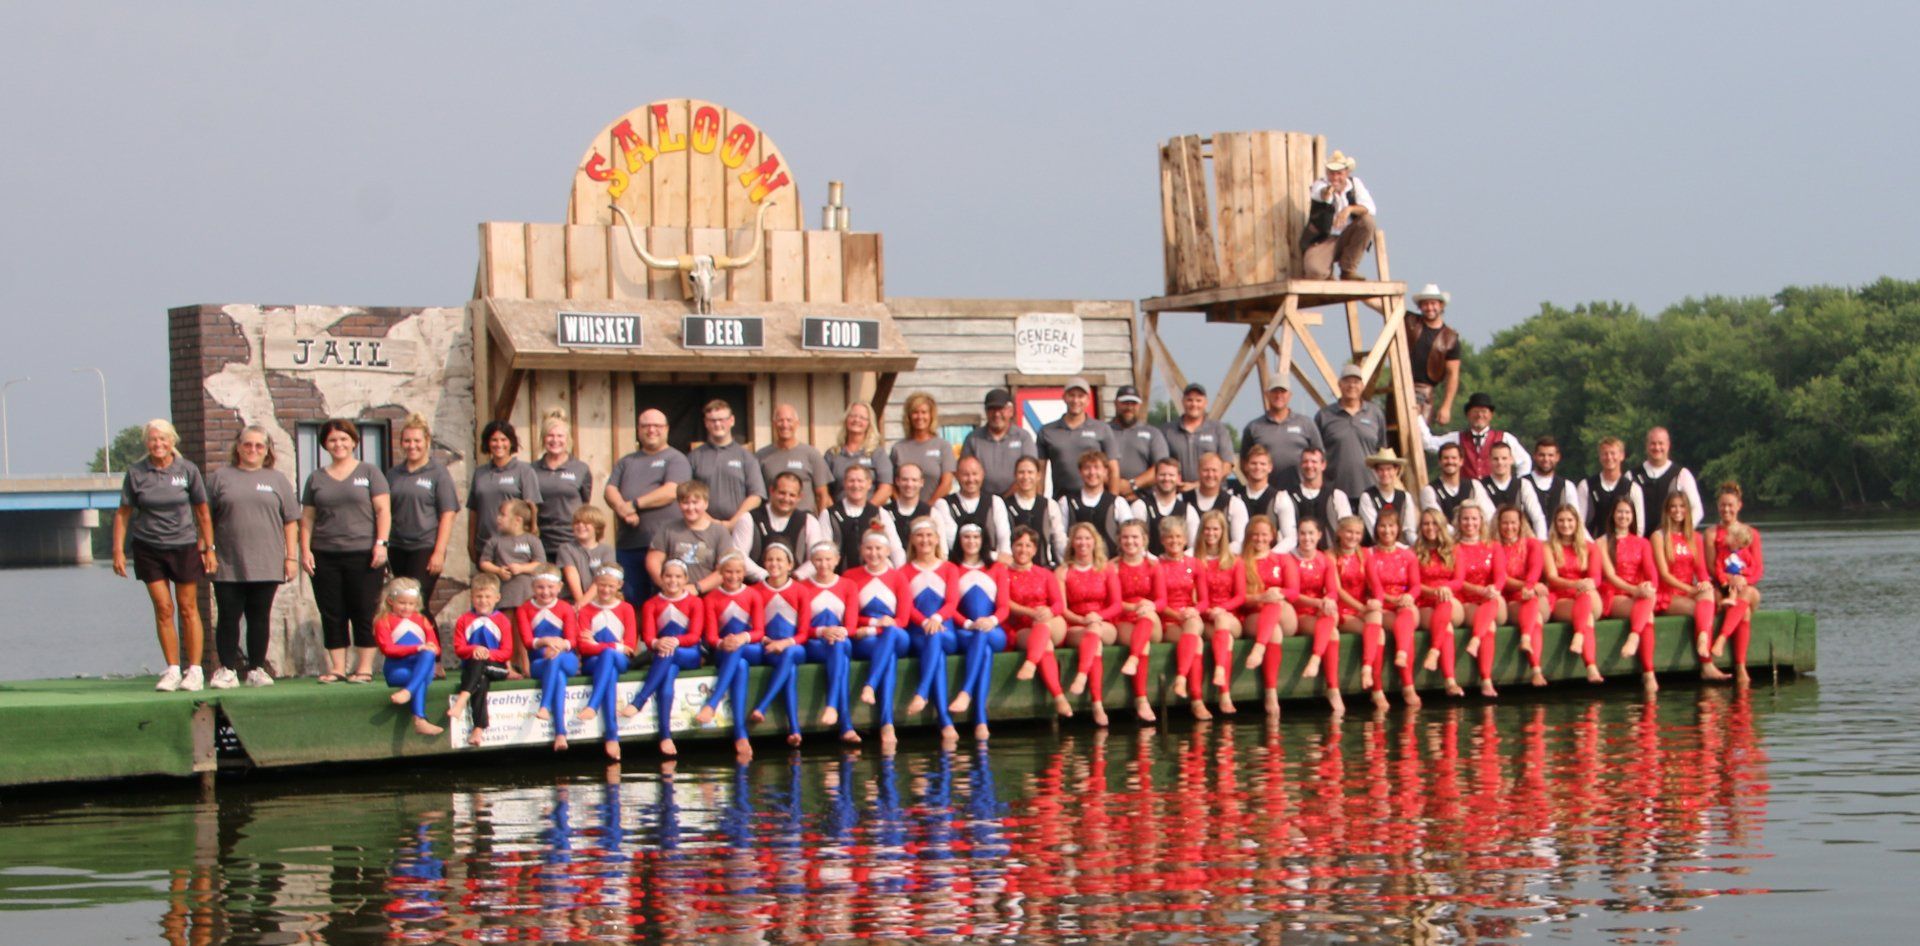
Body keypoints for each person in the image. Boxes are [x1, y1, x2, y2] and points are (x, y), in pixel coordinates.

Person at [114, 418, 215, 692]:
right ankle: (172, 668)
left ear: (172, 442)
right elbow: (123, 515)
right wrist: (118, 552)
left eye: (163, 439)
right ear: (147, 443)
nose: (158, 444)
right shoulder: (136, 472)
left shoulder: (187, 470)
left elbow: (203, 512)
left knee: (187, 607)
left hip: (184, 545)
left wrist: (209, 548)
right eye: (153, 440)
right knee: (163, 608)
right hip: (148, 546)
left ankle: (194, 670)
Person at [205, 424, 298, 688]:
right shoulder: (220, 478)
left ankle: (256, 668)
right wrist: (208, 550)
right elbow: (205, 518)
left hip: (267, 561)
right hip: (228, 561)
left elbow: (291, 521)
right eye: (248, 444)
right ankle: (227, 669)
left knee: (259, 616)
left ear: (267, 450)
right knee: (228, 616)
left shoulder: (277, 480)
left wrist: (291, 558)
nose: (253, 450)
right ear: (238, 446)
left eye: (259, 445)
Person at [300, 418, 391, 685]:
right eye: (332, 440)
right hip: (325, 553)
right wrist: (305, 550)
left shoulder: (370, 473)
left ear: (353, 441)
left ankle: (363, 668)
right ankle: (338, 667)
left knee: (363, 610)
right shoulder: (316, 478)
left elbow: (383, 510)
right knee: (332, 612)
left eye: (343, 439)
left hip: (364, 553)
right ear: (325, 445)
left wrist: (381, 544)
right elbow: (307, 519)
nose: (338, 444)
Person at [606, 408, 691, 604]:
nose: (651, 430)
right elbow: (609, 490)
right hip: (630, 543)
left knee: (664, 600)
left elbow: (671, 491)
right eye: (646, 426)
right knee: (631, 599)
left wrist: (634, 505)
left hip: (665, 546)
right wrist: (621, 508)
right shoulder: (626, 461)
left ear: (667, 429)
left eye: (657, 426)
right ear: (638, 429)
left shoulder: (676, 458)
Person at [626, 559, 706, 757]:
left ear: (685, 579)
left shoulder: (695, 602)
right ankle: (665, 735)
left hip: (688, 653)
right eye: (668, 576)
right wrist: (655, 643)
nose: (673, 580)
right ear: (661, 578)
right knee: (667, 677)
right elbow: (649, 636)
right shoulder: (652, 604)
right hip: (664, 654)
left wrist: (672, 642)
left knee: (669, 652)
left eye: (678, 576)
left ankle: (640, 699)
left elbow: (694, 636)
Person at [385, 414, 457, 620]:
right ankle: (409, 650)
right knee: (401, 606)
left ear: (427, 441)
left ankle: (432, 652)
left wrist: (439, 552)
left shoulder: (438, 473)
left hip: (424, 548)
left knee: (416, 603)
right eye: (407, 440)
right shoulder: (393, 474)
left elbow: (448, 514)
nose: (412, 445)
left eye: (417, 440)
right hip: (397, 548)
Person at [1649, 492, 1726, 683]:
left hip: (1689, 590)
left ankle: (1702, 638)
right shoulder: (1658, 537)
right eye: (1673, 507)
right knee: (1699, 610)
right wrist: (1692, 590)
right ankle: (1706, 663)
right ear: (1667, 511)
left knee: (1707, 594)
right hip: (1667, 593)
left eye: (1682, 507)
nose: (1678, 511)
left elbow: (1700, 571)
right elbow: (1664, 574)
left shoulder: (1695, 537)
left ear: (1687, 511)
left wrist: (1704, 584)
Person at [696, 553, 765, 761]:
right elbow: (710, 637)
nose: (733, 576)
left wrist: (742, 638)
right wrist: (722, 643)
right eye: (728, 572)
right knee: (740, 665)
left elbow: (759, 631)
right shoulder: (711, 598)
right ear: (720, 573)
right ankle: (740, 734)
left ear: (744, 573)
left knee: (739, 653)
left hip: (749, 646)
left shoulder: (753, 595)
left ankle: (713, 703)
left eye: (737, 572)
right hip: (724, 650)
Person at [848, 531, 913, 750]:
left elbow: (903, 619)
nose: (873, 553)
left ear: (887, 551)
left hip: (896, 635)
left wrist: (887, 624)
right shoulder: (851, 576)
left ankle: (870, 685)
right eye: (869, 548)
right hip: (869, 638)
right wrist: (875, 623)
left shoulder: (898, 576)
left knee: (893, 633)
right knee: (889, 657)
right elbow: (851, 617)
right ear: (861, 551)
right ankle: (887, 724)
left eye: (878, 549)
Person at [900, 519, 964, 742]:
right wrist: (925, 622)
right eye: (920, 536)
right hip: (919, 634)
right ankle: (945, 721)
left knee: (936, 638)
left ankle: (923, 692)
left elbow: (952, 601)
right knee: (935, 650)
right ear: (912, 540)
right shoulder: (904, 572)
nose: (925, 540)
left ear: (937, 539)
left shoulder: (949, 568)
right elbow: (906, 607)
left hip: (946, 631)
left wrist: (936, 618)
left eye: (929, 535)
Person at [948, 524, 1011, 740]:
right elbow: (951, 607)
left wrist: (991, 620)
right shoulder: (952, 569)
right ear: (960, 540)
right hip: (966, 631)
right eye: (966, 537)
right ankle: (980, 719)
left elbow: (1004, 606)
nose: (971, 541)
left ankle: (966, 692)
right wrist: (967, 623)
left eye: (976, 537)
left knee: (983, 638)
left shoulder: (997, 568)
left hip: (993, 631)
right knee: (983, 651)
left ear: (983, 540)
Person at [1003, 526, 1073, 718]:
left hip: (1050, 622)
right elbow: (1005, 602)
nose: (1023, 550)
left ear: (1034, 549)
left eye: (1028, 545)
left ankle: (1031, 663)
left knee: (1043, 625)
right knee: (1045, 645)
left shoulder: (1045, 574)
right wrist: (1030, 612)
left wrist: (1048, 611)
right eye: (1018, 545)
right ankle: (1059, 697)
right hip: (1023, 626)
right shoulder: (1004, 574)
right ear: (1012, 547)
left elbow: (1059, 603)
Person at [746, 542, 812, 746]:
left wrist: (784, 643)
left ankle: (763, 706)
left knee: (790, 654)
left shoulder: (801, 591)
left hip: (794, 646)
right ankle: (794, 730)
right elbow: (755, 626)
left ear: (790, 565)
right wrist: (768, 641)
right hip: (768, 646)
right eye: (770, 559)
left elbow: (804, 632)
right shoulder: (755, 591)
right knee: (789, 670)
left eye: (779, 560)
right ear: (764, 563)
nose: (774, 564)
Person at [576, 562, 641, 760]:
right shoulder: (586, 610)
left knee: (609, 657)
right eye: (602, 585)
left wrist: (600, 645)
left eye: (610, 586)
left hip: (621, 660)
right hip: (593, 663)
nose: (605, 589)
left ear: (619, 586)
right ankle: (612, 736)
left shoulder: (626, 609)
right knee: (609, 667)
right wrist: (615, 646)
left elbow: (629, 646)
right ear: (596, 584)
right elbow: (583, 647)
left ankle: (593, 706)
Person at [1281, 516, 1345, 716]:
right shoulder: (1289, 559)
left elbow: (1333, 590)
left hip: (1321, 612)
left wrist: (1328, 600)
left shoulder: (1325, 560)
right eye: (1302, 533)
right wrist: (1319, 603)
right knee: (1331, 630)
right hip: (1300, 612)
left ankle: (1330, 683)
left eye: (1311, 533)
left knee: (1332, 626)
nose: (1306, 538)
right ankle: (1329, 683)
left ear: (1319, 535)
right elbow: (1292, 594)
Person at [1057, 521, 1119, 727]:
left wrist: (1097, 616)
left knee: (1095, 631)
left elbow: (1117, 604)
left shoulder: (1107, 569)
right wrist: (1082, 619)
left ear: (1095, 542)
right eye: (1078, 538)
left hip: (1104, 623)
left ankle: (1082, 675)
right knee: (1095, 645)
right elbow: (1062, 608)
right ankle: (1097, 704)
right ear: (1072, 543)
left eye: (1087, 538)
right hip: (1077, 624)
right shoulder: (1063, 571)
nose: (1083, 543)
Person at [798, 541, 861, 741]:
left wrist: (837, 632)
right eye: (818, 560)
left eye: (827, 559)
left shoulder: (848, 585)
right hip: (816, 643)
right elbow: (802, 628)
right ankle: (846, 726)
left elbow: (852, 625)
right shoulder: (803, 587)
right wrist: (823, 631)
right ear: (811, 561)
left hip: (841, 640)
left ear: (836, 560)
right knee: (840, 660)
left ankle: (832, 706)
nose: (823, 564)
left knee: (840, 646)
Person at [1596, 496, 1660, 693]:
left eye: (1627, 512)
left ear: (1633, 516)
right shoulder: (1602, 542)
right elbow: (1609, 575)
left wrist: (1648, 588)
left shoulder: (1642, 543)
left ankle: (1636, 643)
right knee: (1647, 613)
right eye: (1620, 512)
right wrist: (1635, 590)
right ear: (1613, 515)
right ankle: (1648, 673)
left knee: (1648, 607)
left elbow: (1652, 574)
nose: (1623, 516)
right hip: (1614, 594)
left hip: (1639, 594)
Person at [516, 568, 579, 752]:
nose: (545, 592)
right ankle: (560, 733)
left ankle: (545, 706)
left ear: (559, 587)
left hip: (567, 658)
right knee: (557, 675)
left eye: (550, 587)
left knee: (557, 659)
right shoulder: (524, 609)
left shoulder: (565, 608)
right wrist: (544, 642)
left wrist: (559, 645)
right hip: (539, 663)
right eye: (540, 587)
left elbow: (572, 640)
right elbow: (528, 641)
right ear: (533, 587)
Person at [1330, 516, 1390, 712]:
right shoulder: (1331, 556)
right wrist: (1362, 607)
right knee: (1378, 632)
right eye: (1349, 532)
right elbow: (1337, 590)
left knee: (1376, 617)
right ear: (1339, 532)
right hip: (1342, 609)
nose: (1353, 537)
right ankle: (1377, 689)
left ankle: (1367, 669)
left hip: (1361, 607)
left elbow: (1377, 585)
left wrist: (1376, 602)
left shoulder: (1364, 554)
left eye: (1357, 533)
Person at [1706, 482, 1763, 686]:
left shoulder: (1751, 534)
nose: (1726, 509)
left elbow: (1757, 568)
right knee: (1744, 611)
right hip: (1722, 588)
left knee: (1747, 593)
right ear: (1717, 507)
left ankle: (1721, 639)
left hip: (1744, 587)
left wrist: (1743, 579)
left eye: (1730, 505)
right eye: (1722, 505)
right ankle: (1740, 667)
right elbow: (1712, 567)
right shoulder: (1712, 534)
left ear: (1739, 505)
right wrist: (1728, 580)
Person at [1365, 509, 1422, 709]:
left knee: (1406, 615)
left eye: (1391, 526)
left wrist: (1408, 597)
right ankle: (1378, 688)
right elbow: (1375, 587)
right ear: (1376, 528)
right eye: (1382, 526)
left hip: (1403, 604)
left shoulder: (1407, 555)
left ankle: (1407, 682)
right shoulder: (1370, 554)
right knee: (1391, 626)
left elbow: (1416, 585)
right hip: (1382, 604)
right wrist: (1394, 599)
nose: (1387, 530)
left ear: (1398, 529)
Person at [1543, 505, 1605, 684]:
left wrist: (1584, 585)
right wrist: (1575, 584)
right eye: (1561, 520)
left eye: (1570, 520)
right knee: (1587, 618)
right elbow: (1552, 577)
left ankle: (1579, 636)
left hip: (1586, 595)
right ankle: (1591, 667)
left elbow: (1596, 578)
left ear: (1577, 523)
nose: (1565, 524)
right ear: (1555, 523)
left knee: (1586, 595)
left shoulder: (1590, 548)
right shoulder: (1548, 547)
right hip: (1561, 596)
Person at [373, 577, 443, 737]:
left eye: (411, 604)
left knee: (428, 653)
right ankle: (420, 719)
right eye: (402, 603)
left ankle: (409, 694)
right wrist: (416, 648)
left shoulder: (422, 620)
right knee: (422, 677)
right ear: (391, 601)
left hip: (422, 668)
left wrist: (428, 648)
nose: (407, 608)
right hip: (397, 670)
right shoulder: (383, 621)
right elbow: (388, 649)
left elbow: (435, 648)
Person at [1450, 503, 1507, 698]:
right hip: (1467, 600)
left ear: (1481, 521)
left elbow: (1500, 576)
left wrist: (1494, 589)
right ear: (1458, 522)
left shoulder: (1493, 546)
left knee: (1492, 602)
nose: (1470, 523)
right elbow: (1458, 580)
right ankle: (1486, 680)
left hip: (1490, 599)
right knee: (1489, 627)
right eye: (1465, 519)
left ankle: (1475, 640)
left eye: (1474, 518)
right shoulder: (1454, 548)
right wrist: (1479, 590)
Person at [1193, 510, 1247, 717]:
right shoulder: (1194, 559)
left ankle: (1222, 678)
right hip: (1204, 616)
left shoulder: (1234, 561)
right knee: (1211, 637)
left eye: (1215, 529)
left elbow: (1240, 596)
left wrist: (1221, 609)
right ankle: (1220, 694)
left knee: (1223, 622)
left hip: (1229, 615)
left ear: (1223, 532)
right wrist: (1208, 611)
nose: (1211, 533)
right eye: (1207, 529)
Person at [1111, 520, 1166, 723]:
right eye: (1125, 537)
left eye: (1135, 537)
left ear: (1144, 540)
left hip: (1149, 618)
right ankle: (1141, 700)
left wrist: (1149, 606)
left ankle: (1132, 659)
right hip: (1124, 617)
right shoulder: (1113, 567)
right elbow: (1113, 601)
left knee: (1147, 616)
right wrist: (1132, 607)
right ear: (1119, 540)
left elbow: (1161, 600)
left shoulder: (1153, 566)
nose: (1130, 541)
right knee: (1142, 645)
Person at [1240, 515, 1296, 708]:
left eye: (1264, 534)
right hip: (1254, 616)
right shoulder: (1241, 562)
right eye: (1255, 535)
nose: (1260, 539)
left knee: (1275, 602)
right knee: (1273, 631)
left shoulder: (1282, 559)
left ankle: (1259, 648)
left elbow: (1294, 592)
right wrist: (1260, 597)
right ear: (1248, 536)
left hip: (1283, 614)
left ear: (1272, 535)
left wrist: (1277, 593)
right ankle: (1271, 693)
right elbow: (1240, 598)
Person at [449, 573, 512, 748]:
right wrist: (474, 650)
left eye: (487, 597)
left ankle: (462, 700)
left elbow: (506, 652)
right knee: (480, 680)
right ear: (472, 597)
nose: (483, 600)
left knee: (480, 665)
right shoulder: (464, 620)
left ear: (497, 598)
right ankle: (478, 728)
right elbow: (459, 649)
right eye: (478, 596)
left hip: (497, 668)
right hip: (474, 670)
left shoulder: (502, 621)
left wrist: (487, 654)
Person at [468, 420, 543, 563]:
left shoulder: (524, 471)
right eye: (494, 440)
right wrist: (470, 542)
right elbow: (473, 510)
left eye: (504, 439)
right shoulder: (480, 473)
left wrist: (532, 537)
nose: (499, 444)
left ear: (511, 443)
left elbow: (532, 508)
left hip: (514, 547)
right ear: (487, 443)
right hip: (485, 544)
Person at [1157, 516, 1209, 718]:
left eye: (1178, 537)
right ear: (1162, 540)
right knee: (1196, 643)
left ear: (1186, 539)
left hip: (1189, 616)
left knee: (1194, 628)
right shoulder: (1157, 565)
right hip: (1168, 619)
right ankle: (1196, 701)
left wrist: (1195, 610)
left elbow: (1204, 600)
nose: (1174, 541)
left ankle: (1182, 680)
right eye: (1169, 537)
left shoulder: (1194, 564)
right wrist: (1178, 615)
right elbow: (1159, 602)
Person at [1412, 508, 1466, 699]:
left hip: (1451, 601)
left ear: (1442, 526)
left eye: (1434, 523)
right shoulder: (1415, 552)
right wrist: (1434, 591)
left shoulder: (1454, 550)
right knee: (1447, 629)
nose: (1430, 528)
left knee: (1445, 602)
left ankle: (1434, 651)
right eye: (1426, 524)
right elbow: (1415, 584)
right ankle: (1450, 681)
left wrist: (1445, 588)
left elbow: (1459, 580)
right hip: (1426, 601)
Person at [1416, 393, 1532, 481]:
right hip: (1467, 499)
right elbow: (1429, 443)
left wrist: (1518, 486)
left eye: (1484, 411)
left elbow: (1525, 461)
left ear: (1491, 415)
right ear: (1468, 414)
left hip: (1496, 497)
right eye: (1475, 411)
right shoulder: (1456, 438)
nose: (1480, 415)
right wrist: (1418, 416)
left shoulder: (1505, 438)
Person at [735, 472, 827, 583]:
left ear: (799, 497)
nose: (786, 499)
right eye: (782, 493)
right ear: (771, 491)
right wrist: (767, 577)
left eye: (792, 495)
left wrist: (795, 577)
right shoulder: (749, 518)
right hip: (757, 588)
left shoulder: (809, 521)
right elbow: (739, 555)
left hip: (795, 588)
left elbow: (816, 557)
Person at [647, 480, 736, 594]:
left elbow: (724, 569)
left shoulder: (719, 532)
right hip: (673, 595)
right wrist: (667, 585)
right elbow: (653, 561)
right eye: (685, 503)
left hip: (708, 596)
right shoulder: (668, 529)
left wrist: (697, 588)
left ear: (706, 503)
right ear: (679, 504)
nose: (690, 507)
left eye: (695, 502)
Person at [1495, 506, 1550, 688]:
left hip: (1530, 594)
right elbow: (1501, 577)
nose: (1509, 527)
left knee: (1534, 605)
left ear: (1520, 524)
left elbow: (1535, 568)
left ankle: (1527, 641)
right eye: (1505, 523)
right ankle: (1536, 671)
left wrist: (1529, 586)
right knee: (1537, 617)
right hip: (1510, 599)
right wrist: (1528, 587)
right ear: (1498, 524)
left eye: (1513, 523)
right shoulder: (1496, 547)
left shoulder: (1532, 544)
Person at [1300, 150, 1376, 281]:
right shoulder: (1320, 184)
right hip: (1324, 239)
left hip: (1347, 236)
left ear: (1346, 173)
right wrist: (1328, 193)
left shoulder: (1355, 184)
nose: (1335, 178)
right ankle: (1327, 273)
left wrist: (1349, 209)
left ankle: (1348, 269)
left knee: (1367, 222)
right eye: (1331, 173)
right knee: (1315, 273)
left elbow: (1370, 208)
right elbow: (1321, 193)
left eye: (1339, 173)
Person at [688, 399, 765, 528]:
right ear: (706, 423)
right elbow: (686, 495)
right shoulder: (694, 457)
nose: (717, 424)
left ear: (732, 421)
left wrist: (732, 523)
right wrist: (710, 522)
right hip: (703, 527)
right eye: (712, 420)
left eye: (722, 419)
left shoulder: (747, 457)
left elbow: (756, 496)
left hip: (740, 527)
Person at [1317, 363, 1388, 501]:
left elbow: (1382, 452)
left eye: (1356, 382)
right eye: (1347, 381)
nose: (1351, 386)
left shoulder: (1375, 413)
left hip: (1370, 492)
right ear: (1339, 384)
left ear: (1362, 386)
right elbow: (1317, 455)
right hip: (1334, 493)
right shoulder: (1324, 416)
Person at [1038, 377, 1118, 497]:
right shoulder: (1047, 431)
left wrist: (1112, 501)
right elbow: (1040, 473)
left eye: (1081, 396)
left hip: (1096, 500)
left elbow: (1113, 470)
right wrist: (1039, 506)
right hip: (1061, 500)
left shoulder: (1102, 429)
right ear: (1064, 397)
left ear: (1088, 400)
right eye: (1072, 395)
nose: (1076, 400)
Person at [531, 410, 593, 563]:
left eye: (560, 436)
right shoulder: (531, 470)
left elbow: (585, 503)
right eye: (550, 436)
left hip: (572, 540)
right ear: (543, 439)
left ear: (568, 439)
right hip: (541, 542)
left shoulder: (580, 468)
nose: (555, 440)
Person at [1241, 380, 1323, 489]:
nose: (1278, 395)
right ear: (1267, 394)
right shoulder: (1254, 427)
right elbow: (1244, 462)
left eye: (1283, 391)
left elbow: (1320, 457)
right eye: (1274, 391)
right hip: (1266, 492)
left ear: (1290, 395)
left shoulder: (1306, 424)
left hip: (1301, 491)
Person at [818, 465, 904, 568]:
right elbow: (822, 550)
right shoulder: (829, 514)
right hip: (841, 577)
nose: (856, 485)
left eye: (860, 481)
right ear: (844, 484)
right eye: (851, 481)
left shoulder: (880, 514)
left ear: (869, 484)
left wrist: (900, 572)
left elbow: (895, 548)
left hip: (872, 578)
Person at [960, 388, 1037, 498]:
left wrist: (1004, 500)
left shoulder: (1023, 437)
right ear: (986, 412)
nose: (996, 414)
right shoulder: (973, 439)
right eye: (992, 409)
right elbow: (964, 471)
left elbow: (1030, 473)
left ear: (1010, 411)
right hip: (982, 502)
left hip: (1016, 500)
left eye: (1001, 409)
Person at [1405, 284, 1463, 424]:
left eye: (1433, 303)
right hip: (1400, 386)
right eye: (1425, 304)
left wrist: (1446, 407)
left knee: (1420, 437)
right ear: (1420, 306)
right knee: (1392, 435)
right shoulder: (1410, 320)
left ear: (1441, 306)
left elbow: (1453, 375)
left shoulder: (1450, 338)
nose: (1430, 308)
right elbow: (1383, 307)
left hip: (1424, 392)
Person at [479, 499, 546, 619]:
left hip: (528, 596)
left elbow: (540, 564)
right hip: (505, 596)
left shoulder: (531, 540)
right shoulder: (495, 540)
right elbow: (484, 563)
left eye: (503, 515)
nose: (498, 518)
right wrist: (498, 570)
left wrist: (521, 568)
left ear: (518, 520)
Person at [1162, 383, 1237, 486]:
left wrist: (1197, 485)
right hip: (1178, 493)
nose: (1194, 404)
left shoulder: (1218, 429)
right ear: (1183, 402)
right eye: (1189, 400)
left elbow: (1227, 465)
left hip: (1212, 494)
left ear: (1205, 403)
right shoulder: (1168, 430)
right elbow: (1160, 465)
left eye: (1198, 400)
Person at [939, 456, 1012, 562]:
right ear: (956, 476)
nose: (971, 479)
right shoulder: (943, 504)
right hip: (958, 566)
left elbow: (1004, 537)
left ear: (982, 474)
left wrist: (1005, 557)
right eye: (965, 475)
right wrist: (995, 556)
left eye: (975, 474)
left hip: (990, 567)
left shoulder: (995, 502)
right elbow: (954, 541)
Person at [1278, 447, 1349, 554]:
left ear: (1323, 465)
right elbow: (1287, 536)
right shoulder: (1287, 496)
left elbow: (1346, 530)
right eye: (1305, 462)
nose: (1309, 465)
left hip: (1330, 558)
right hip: (1297, 559)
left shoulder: (1337, 496)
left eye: (1314, 462)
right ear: (1301, 465)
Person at [1634, 427, 1703, 535]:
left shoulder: (1681, 474)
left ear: (1668, 445)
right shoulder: (1632, 476)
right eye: (1653, 443)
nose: (1657, 447)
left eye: (1661, 443)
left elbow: (1697, 509)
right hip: (1641, 543)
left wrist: (1681, 534)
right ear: (1646, 445)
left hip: (1670, 542)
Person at [819, 402, 889, 508]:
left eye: (862, 417)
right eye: (853, 416)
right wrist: (836, 513)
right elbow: (824, 490)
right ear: (846, 420)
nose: (857, 420)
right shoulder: (832, 454)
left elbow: (886, 488)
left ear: (869, 423)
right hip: (840, 516)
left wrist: (866, 512)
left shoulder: (877, 453)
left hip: (870, 517)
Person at [889, 392, 956, 500]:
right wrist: (901, 507)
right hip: (904, 513)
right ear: (909, 417)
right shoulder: (898, 448)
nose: (920, 417)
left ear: (931, 416)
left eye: (924, 412)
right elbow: (890, 485)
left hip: (935, 511)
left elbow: (947, 483)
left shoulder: (943, 446)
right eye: (915, 412)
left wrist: (928, 508)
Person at [1106, 384, 1169, 499]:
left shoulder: (1153, 433)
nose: (1129, 407)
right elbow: (1094, 465)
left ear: (1139, 405)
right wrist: (1116, 484)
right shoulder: (1104, 431)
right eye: (1125, 403)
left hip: (1144, 499)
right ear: (1115, 403)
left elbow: (1161, 467)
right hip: (1108, 497)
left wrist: (1132, 485)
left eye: (1133, 403)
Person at [1005, 456, 1067, 568]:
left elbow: (1059, 540)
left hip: (1044, 568)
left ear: (1038, 475)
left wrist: (1065, 565)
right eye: (1021, 472)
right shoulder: (1004, 505)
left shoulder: (1050, 505)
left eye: (1030, 472)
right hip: (1014, 569)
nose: (1026, 476)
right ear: (1015, 475)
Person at [1579, 436, 1645, 540]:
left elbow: (1639, 526)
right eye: (1605, 454)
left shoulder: (1633, 488)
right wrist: (1593, 546)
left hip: (1624, 548)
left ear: (1622, 456)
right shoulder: (1586, 486)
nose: (1609, 457)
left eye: (1613, 453)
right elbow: (1579, 522)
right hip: (1594, 546)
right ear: (1600, 457)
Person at [1131, 457, 1199, 557]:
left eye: (1171, 475)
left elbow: (1194, 546)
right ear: (1155, 477)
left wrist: (1175, 562)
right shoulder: (1140, 506)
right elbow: (1135, 543)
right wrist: (1156, 561)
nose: (1167, 478)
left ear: (1179, 478)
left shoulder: (1188, 510)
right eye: (1162, 475)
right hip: (1149, 566)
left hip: (1179, 567)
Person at [1184, 453, 1249, 553]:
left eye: (1214, 470)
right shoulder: (1182, 500)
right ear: (1198, 471)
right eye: (1206, 470)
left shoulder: (1235, 504)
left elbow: (1239, 542)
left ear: (1222, 472)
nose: (1210, 475)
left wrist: (1213, 557)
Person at [1481, 443, 1546, 538]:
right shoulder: (1480, 485)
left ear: (1511, 460)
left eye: (1504, 458)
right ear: (1489, 461)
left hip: (1519, 540)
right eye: (1496, 459)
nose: (1500, 462)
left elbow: (1537, 517)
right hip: (1491, 540)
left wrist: (1541, 543)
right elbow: (1487, 517)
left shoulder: (1523, 484)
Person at [1421, 443, 1493, 526]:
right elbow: (1437, 522)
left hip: (1473, 536)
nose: (1450, 461)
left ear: (1461, 461)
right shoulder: (1429, 490)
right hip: (1445, 538)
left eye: (1454, 458)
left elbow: (1488, 514)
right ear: (1439, 462)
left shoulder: (1474, 485)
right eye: (1446, 458)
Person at [1357, 448, 1417, 547]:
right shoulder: (1367, 496)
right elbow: (1374, 532)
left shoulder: (1405, 497)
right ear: (1376, 471)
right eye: (1381, 470)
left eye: (1389, 469)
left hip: (1401, 548)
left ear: (1396, 470)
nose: (1385, 474)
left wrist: (1417, 546)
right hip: (1375, 549)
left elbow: (1409, 530)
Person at [557, 506, 615, 603]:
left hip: (599, 600)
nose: (580, 525)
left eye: (586, 523)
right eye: (577, 522)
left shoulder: (607, 550)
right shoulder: (566, 548)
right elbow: (571, 575)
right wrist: (580, 603)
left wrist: (583, 603)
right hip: (572, 601)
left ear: (597, 527)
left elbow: (602, 579)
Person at [1523, 436, 1579, 528]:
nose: (1546, 459)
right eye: (1542, 455)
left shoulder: (1567, 486)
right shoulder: (1522, 484)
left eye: (1550, 455)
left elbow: (1576, 518)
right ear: (1534, 456)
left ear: (1557, 457)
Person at [883, 462, 934, 549]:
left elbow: (942, 550)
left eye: (914, 480)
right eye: (905, 480)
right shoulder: (884, 512)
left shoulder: (932, 513)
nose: (909, 484)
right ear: (897, 481)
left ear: (921, 482)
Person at [1232, 445, 1285, 530]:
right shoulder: (1233, 496)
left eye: (1262, 464)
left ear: (1270, 467)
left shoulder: (1280, 498)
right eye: (1253, 463)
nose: (1258, 467)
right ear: (1246, 466)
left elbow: (1290, 537)